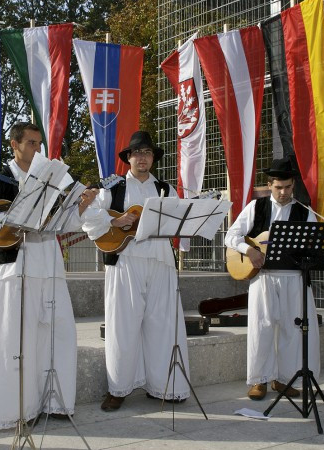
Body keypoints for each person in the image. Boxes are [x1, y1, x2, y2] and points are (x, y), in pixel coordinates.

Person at [0, 122, 98, 429]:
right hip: (15, 268)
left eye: (39, 143)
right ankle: (15, 411)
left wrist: (80, 208)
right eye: (30, 142)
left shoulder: (51, 181)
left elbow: (65, 222)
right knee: (16, 341)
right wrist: (8, 225)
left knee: (57, 335)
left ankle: (55, 403)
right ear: (14, 144)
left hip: (49, 266)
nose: (37, 149)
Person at [82, 130, 190, 411]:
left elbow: (182, 221)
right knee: (123, 325)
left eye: (147, 153)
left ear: (153, 158)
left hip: (160, 260)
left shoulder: (166, 189)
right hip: (125, 260)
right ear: (128, 158)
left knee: (164, 325)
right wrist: (114, 221)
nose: (142, 157)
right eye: (137, 153)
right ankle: (118, 389)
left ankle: (165, 385)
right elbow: (87, 213)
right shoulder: (113, 188)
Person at [225, 157, 318, 401]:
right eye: (279, 187)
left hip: (293, 277)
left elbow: (315, 246)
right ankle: (259, 380)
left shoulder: (304, 212)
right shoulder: (257, 207)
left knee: (292, 329)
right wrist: (249, 250)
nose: (284, 192)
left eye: (288, 187)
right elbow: (231, 235)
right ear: (270, 185)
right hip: (263, 277)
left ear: (293, 185)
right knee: (262, 327)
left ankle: (284, 379)